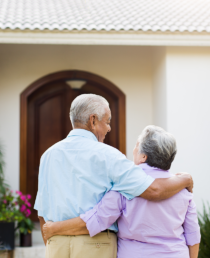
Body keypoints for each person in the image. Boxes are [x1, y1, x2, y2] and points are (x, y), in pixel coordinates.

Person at [35, 94, 194, 258]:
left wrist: (53, 242)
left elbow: (42, 212)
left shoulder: (48, 155)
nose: (109, 128)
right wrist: (186, 179)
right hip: (95, 245)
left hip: (56, 245)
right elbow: (154, 190)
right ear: (93, 120)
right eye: (108, 122)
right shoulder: (108, 155)